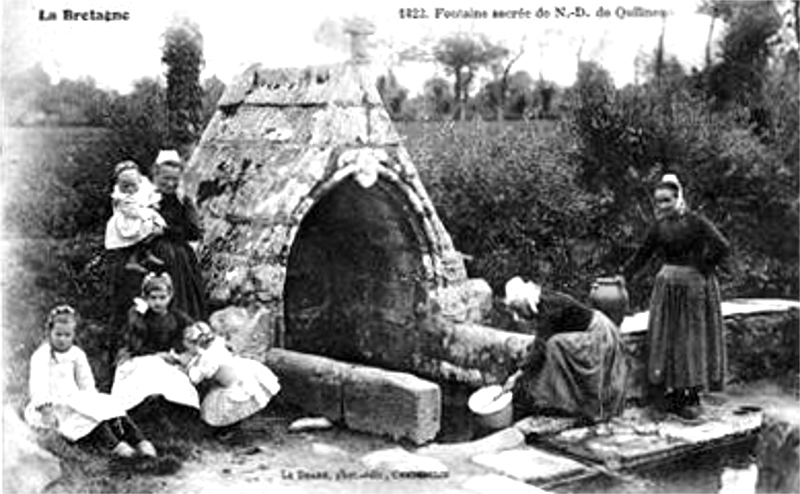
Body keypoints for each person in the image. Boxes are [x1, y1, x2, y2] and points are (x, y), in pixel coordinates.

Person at [622, 173, 730, 421]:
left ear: (678, 198)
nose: (661, 206)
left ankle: (691, 396)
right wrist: (622, 277)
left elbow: (722, 246)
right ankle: (673, 393)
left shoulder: (696, 222)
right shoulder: (659, 227)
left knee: (690, 341)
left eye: (667, 201)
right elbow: (642, 255)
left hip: (693, 288)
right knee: (669, 339)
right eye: (658, 201)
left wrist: (702, 267)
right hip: (667, 288)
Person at [24, 304, 157, 458]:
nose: (62, 339)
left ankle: (140, 441)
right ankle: (117, 446)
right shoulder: (42, 356)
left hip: (75, 398)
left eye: (67, 335)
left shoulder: (76, 354)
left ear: (73, 335)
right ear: (49, 333)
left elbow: (86, 383)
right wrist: (46, 410)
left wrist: (92, 402)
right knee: (89, 421)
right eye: (58, 334)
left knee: (110, 407)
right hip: (53, 404)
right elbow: (38, 385)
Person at [501, 277, 628, 424]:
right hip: (588, 331)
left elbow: (541, 346)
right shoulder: (542, 302)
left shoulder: (548, 309)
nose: (520, 316)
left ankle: (562, 403)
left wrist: (517, 375)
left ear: (525, 304)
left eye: (519, 310)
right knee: (551, 345)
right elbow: (539, 341)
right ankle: (562, 401)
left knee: (555, 346)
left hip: (597, 335)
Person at [111, 273, 200, 419]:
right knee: (151, 367)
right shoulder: (140, 316)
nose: (158, 302)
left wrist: (177, 353)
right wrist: (156, 355)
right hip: (140, 358)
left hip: (167, 358)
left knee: (175, 375)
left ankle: (170, 407)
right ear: (145, 298)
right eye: (153, 298)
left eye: (162, 297)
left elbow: (193, 330)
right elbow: (134, 345)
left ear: (170, 296)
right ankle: (144, 405)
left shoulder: (176, 316)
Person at [173, 322, 281, 430]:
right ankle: (238, 422)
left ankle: (230, 427)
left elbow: (195, 378)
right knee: (243, 393)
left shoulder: (207, 359)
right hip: (242, 370)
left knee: (218, 408)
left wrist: (185, 366)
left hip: (234, 384)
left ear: (195, 345)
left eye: (188, 346)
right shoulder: (216, 344)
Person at [149, 150, 207, 321]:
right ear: (155, 174)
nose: (170, 183)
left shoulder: (181, 201)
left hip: (180, 255)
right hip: (155, 253)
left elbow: (193, 232)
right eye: (165, 178)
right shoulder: (147, 199)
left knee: (183, 292)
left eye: (175, 179)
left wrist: (168, 231)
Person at [104, 160, 166, 275]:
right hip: (129, 221)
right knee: (140, 236)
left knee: (158, 231)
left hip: (143, 215)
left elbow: (150, 195)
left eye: (133, 185)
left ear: (139, 181)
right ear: (119, 185)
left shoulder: (143, 186)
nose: (129, 189)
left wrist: (153, 203)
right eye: (125, 186)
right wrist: (147, 214)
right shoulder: (121, 198)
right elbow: (131, 212)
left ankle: (147, 253)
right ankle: (133, 260)